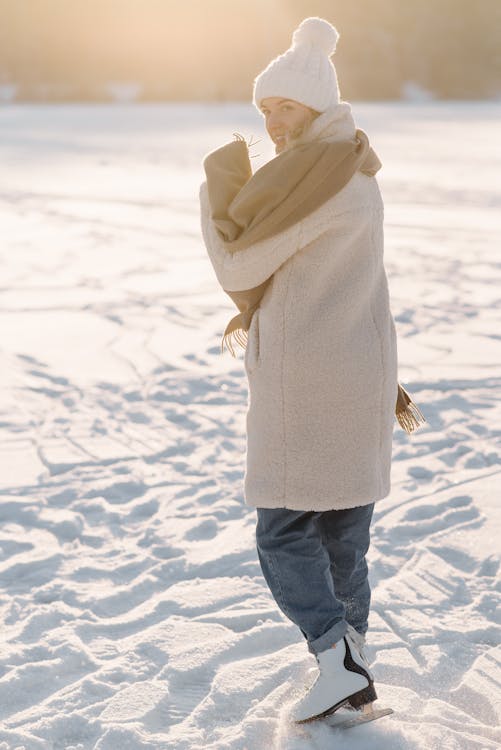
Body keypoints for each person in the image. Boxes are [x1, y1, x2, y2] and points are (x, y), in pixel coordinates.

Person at [199, 16, 421, 724]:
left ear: (317, 107)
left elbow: (238, 264)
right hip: (356, 376)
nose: (274, 122)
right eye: (266, 109)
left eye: (285, 107)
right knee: (339, 535)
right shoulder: (350, 169)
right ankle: (350, 672)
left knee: (284, 532)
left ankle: (336, 658)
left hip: (310, 382)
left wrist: (214, 196)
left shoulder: (315, 185)